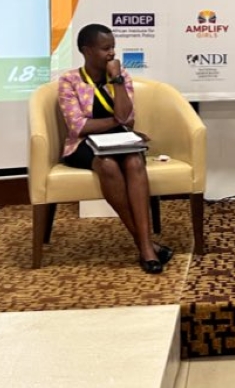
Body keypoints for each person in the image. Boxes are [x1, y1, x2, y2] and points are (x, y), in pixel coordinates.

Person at [58, 23, 173, 274]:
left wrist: (117, 80)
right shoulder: (70, 80)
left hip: (119, 140)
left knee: (134, 162)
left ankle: (144, 246)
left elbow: (127, 118)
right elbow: (78, 126)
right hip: (84, 145)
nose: (111, 53)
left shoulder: (121, 77)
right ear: (86, 51)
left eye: (113, 48)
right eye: (105, 48)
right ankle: (145, 245)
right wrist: (116, 122)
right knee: (107, 165)